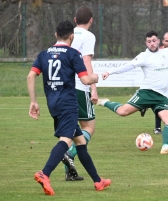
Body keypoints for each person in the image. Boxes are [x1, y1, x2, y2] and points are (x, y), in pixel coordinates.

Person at [27, 20, 111, 195]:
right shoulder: (73, 54)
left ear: (56, 35)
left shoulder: (44, 54)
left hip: (53, 103)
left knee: (80, 142)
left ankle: (98, 181)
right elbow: (86, 80)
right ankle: (44, 173)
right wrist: (96, 77)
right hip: (68, 103)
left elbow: (30, 76)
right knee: (65, 140)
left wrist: (33, 102)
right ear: (71, 36)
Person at [96, 25, 168, 155]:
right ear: (146, 43)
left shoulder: (166, 52)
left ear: (159, 41)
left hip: (161, 97)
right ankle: (104, 102)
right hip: (146, 93)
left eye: (154, 40)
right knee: (122, 112)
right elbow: (128, 66)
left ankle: (166, 146)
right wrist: (109, 72)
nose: (152, 43)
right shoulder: (143, 56)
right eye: (149, 41)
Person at [61, 6, 99, 181]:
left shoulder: (68, 33)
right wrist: (93, 88)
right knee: (89, 127)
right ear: (91, 20)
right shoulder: (89, 36)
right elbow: (86, 61)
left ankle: (69, 172)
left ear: (75, 20)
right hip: (80, 86)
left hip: (64, 88)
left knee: (70, 130)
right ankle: (70, 153)